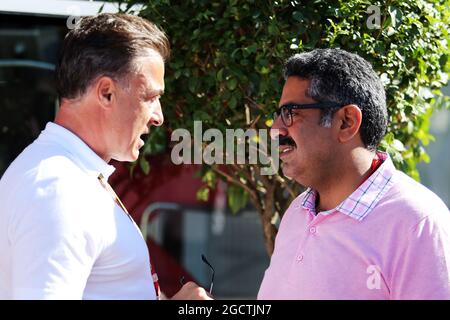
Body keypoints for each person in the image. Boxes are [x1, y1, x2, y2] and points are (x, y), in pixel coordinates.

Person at [0, 13, 211, 300]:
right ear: (106, 93)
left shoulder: (67, 175)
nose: (159, 117)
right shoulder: (58, 189)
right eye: (150, 97)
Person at [259, 49, 450, 299]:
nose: (275, 130)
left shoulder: (417, 224)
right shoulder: (298, 212)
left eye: (290, 112)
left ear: (346, 122)